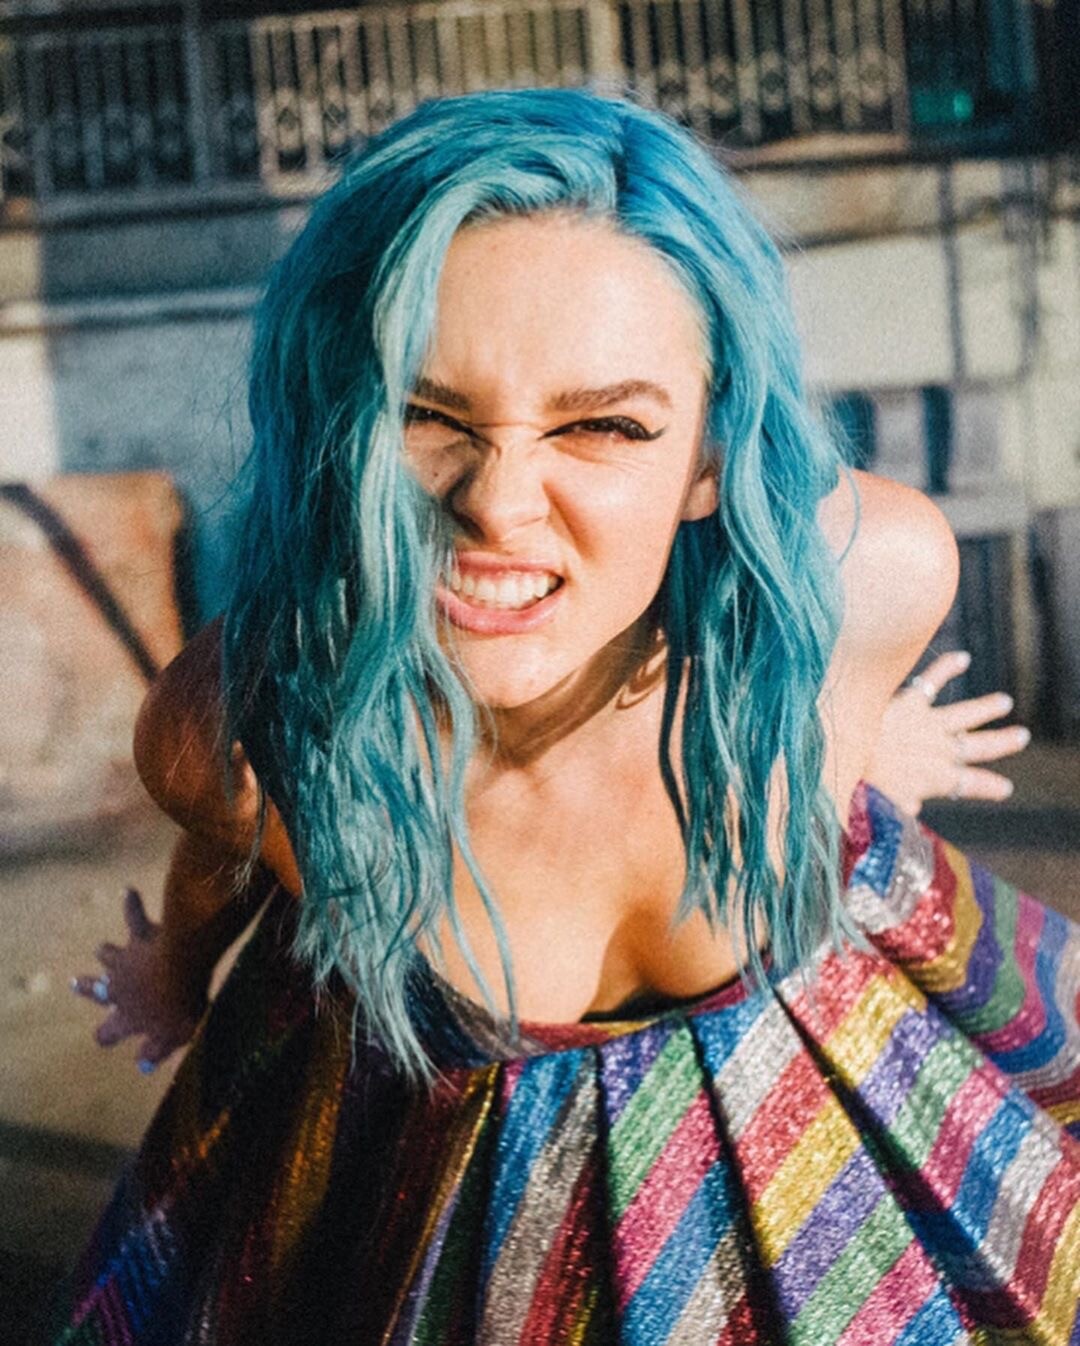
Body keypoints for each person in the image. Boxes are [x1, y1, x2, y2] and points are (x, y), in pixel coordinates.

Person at [60, 89, 1079, 1345]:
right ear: (335, 422)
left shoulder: (866, 586)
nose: (499, 505)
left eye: (603, 423)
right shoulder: (246, 727)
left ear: (713, 454)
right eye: (424, 413)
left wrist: (851, 758)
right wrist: (175, 972)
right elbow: (224, 840)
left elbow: (826, 686)